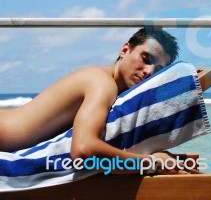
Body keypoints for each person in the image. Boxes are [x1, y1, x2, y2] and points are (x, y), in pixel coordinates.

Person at [0, 27, 200, 175]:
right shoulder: (102, 83)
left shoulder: (109, 87)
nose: (148, 71)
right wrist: (152, 163)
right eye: (146, 58)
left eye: (157, 70)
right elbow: (84, 149)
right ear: (124, 50)